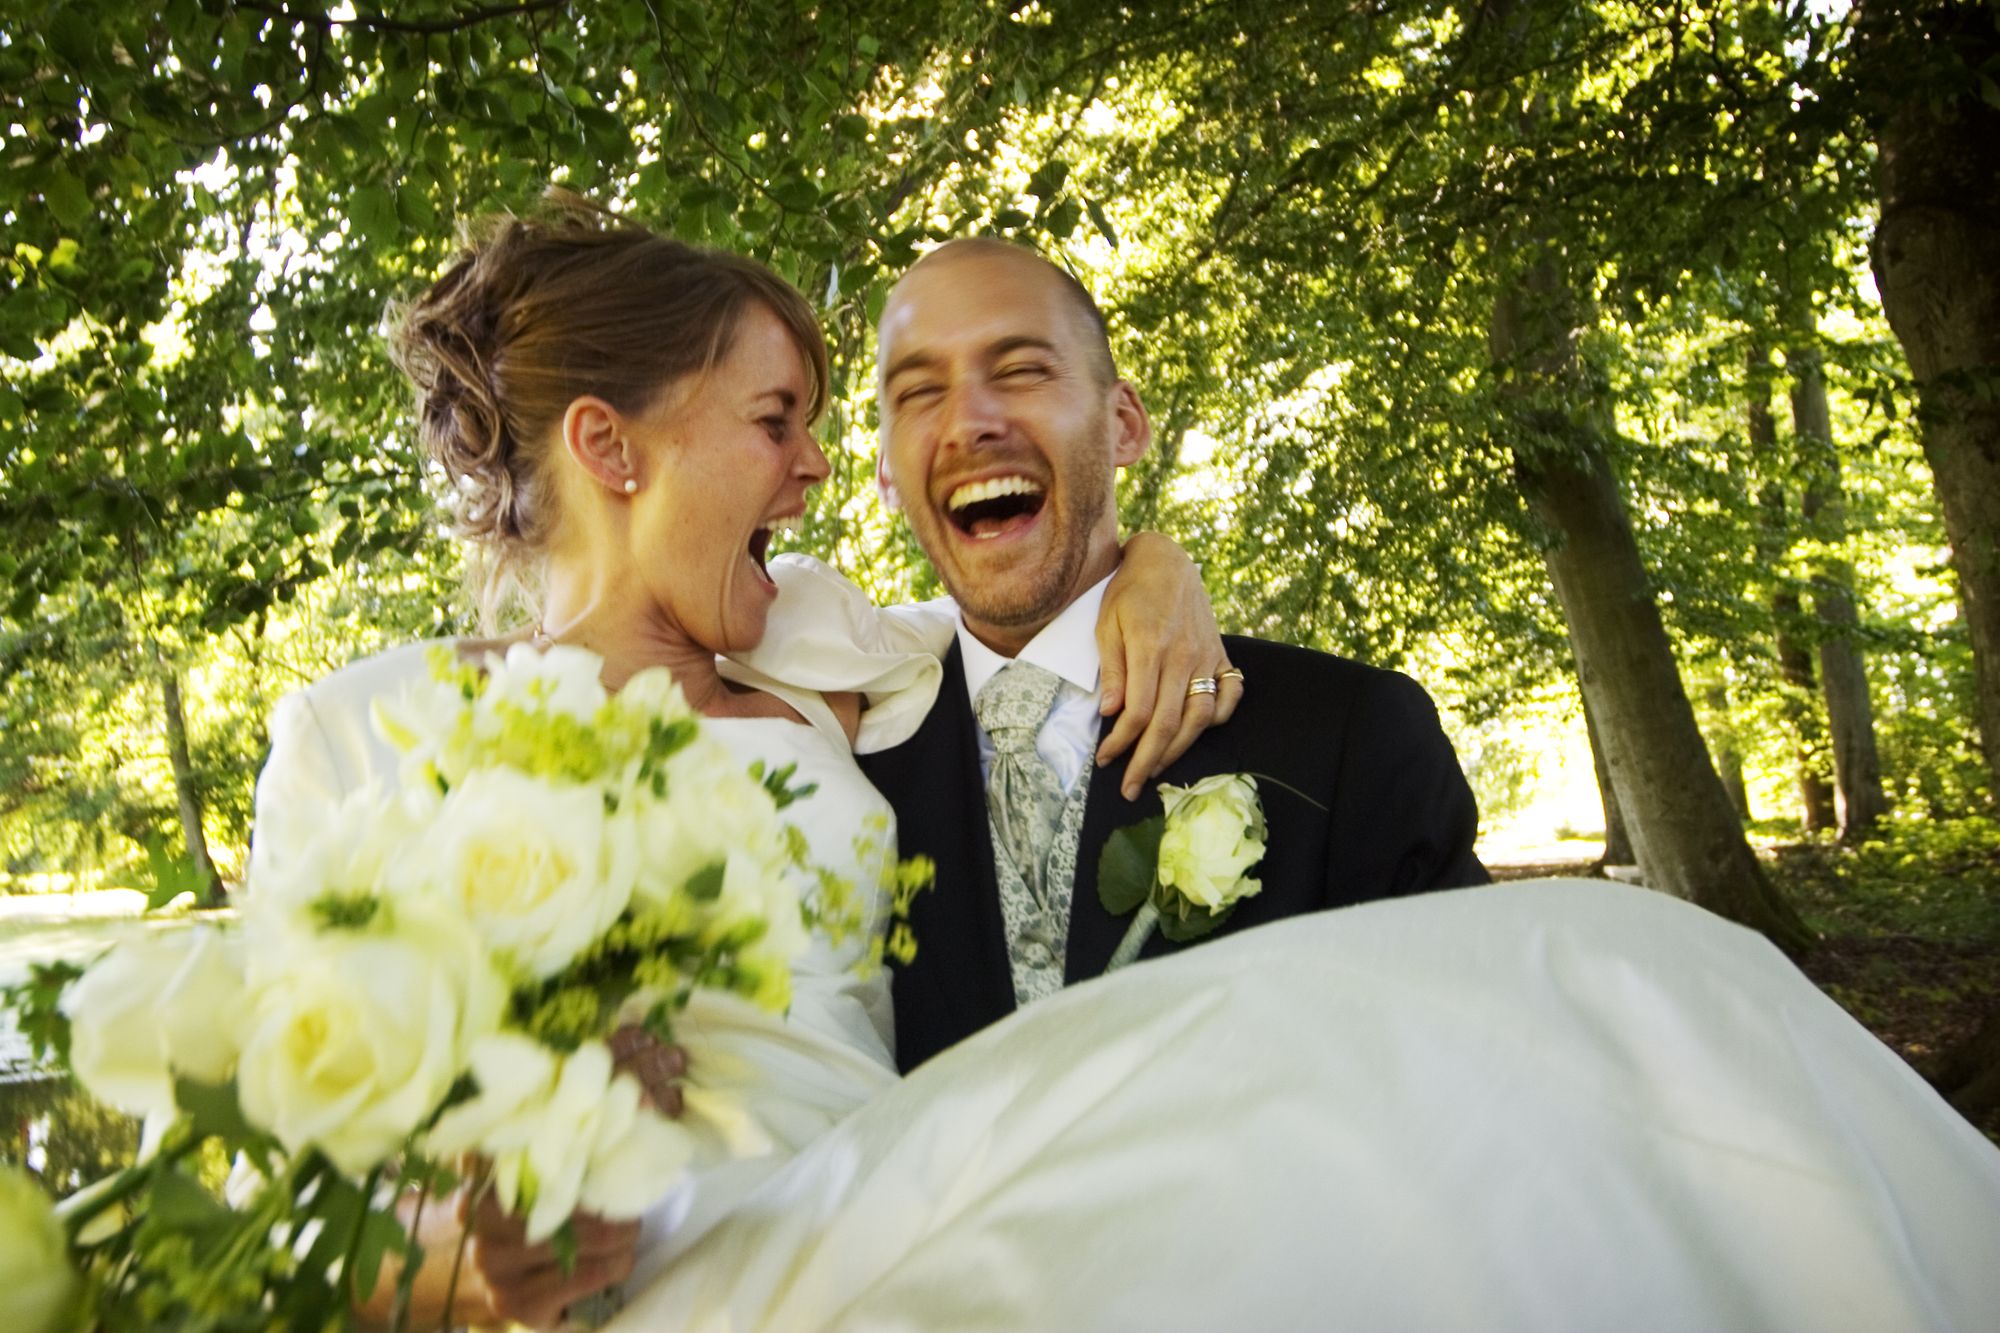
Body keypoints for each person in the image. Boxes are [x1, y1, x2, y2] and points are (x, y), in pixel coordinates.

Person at [251, 197, 1231, 1326]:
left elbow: (1033, 612)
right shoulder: (368, 731)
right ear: (608, 446)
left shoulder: (824, 652)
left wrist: (1158, 569)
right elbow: (270, 1198)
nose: (818, 466)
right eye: (774, 421)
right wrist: (464, 1263)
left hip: (906, 1264)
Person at [860, 238, 1490, 1070]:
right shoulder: (836, 761)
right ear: (885, 473)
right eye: (919, 391)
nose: (970, 419)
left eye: (1020, 371)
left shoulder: (1351, 742)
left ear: (1124, 423)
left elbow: (1472, 1083)